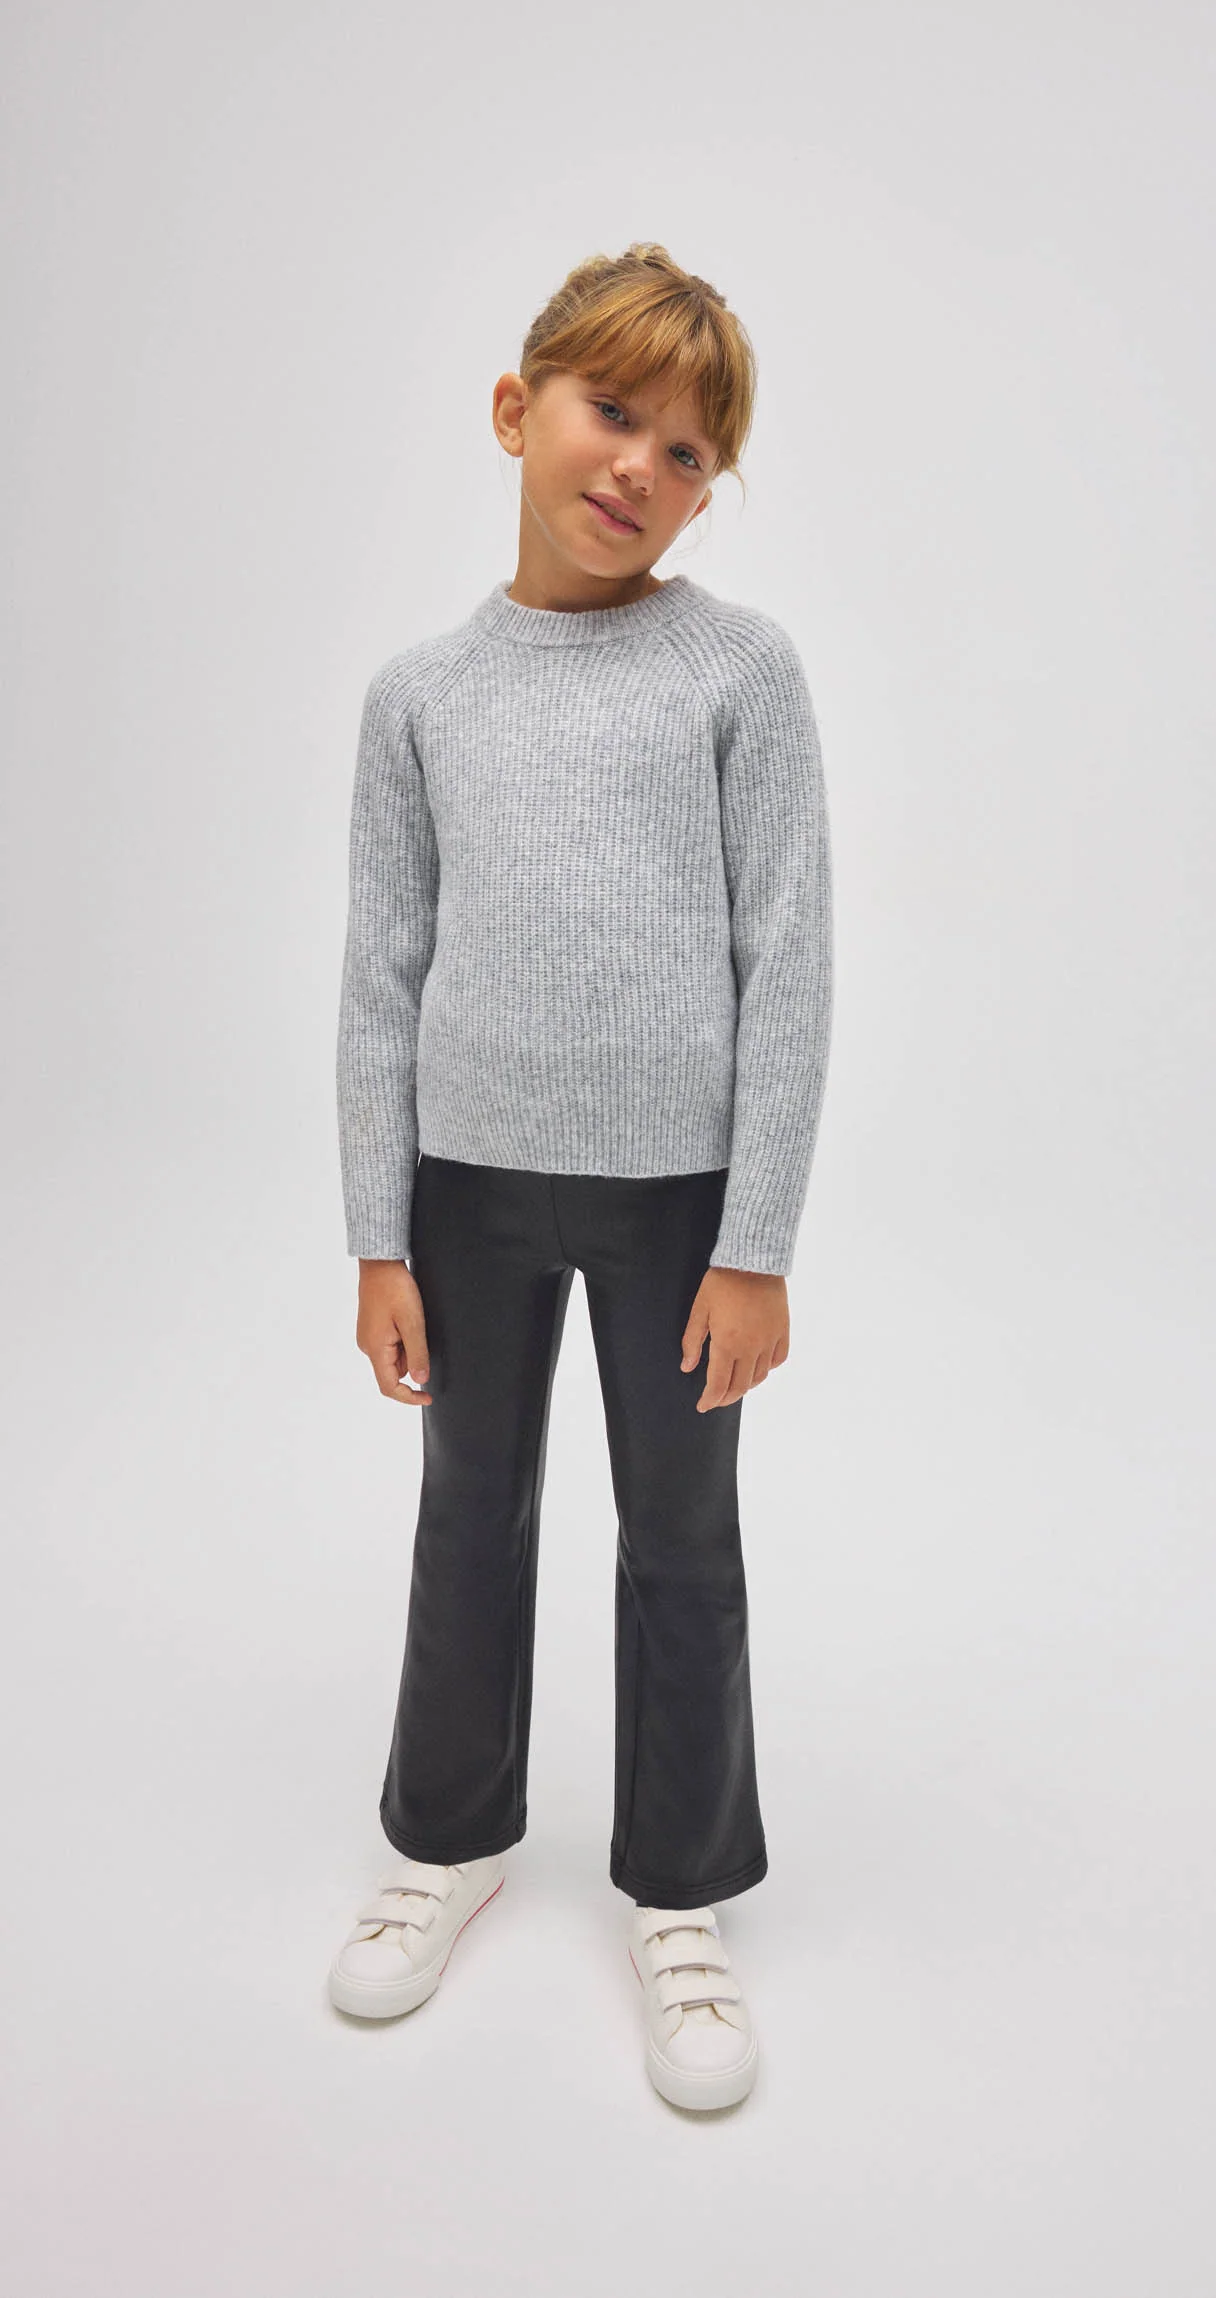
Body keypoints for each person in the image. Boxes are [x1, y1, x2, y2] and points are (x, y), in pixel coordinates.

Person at [324, 244, 834, 2113]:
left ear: (707, 493)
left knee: (682, 1535)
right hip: (464, 1190)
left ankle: (679, 1892)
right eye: (614, 412)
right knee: (470, 1512)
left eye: (688, 451)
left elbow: (790, 961)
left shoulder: (739, 675)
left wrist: (756, 1239)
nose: (640, 465)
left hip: (677, 1201)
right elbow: (381, 971)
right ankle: (448, 1839)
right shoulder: (421, 696)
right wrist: (377, 1230)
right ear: (514, 408)